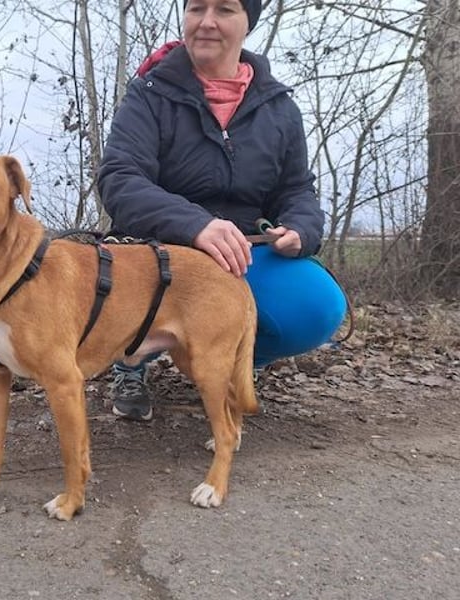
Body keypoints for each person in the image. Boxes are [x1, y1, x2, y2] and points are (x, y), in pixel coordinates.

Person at [97, 0, 348, 421]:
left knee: (318, 306)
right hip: (155, 256)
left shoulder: (279, 107)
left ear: (248, 21)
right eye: (197, 8)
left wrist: (300, 228)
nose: (207, 22)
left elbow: (297, 189)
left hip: (240, 255)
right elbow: (120, 178)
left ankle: (221, 362)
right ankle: (132, 362)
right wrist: (196, 225)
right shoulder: (149, 93)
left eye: (225, 10)